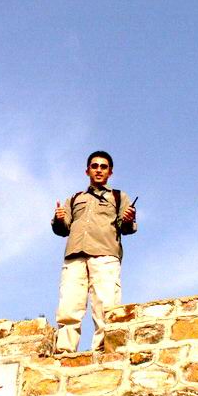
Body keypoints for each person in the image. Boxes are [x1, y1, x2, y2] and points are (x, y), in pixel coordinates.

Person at [52, 151, 137, 353]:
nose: (99, 170)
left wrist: (128, 220)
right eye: (95, 166)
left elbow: (126, 227)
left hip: (105, 254)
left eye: (103, 167)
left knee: (106, 305)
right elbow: (62, 229)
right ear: (87, 171)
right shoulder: (75, 198)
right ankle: (64, 350)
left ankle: (103, 350)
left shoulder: (118, 197)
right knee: (69, 305)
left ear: (110, 172)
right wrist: (58, 218)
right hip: (75, 255)